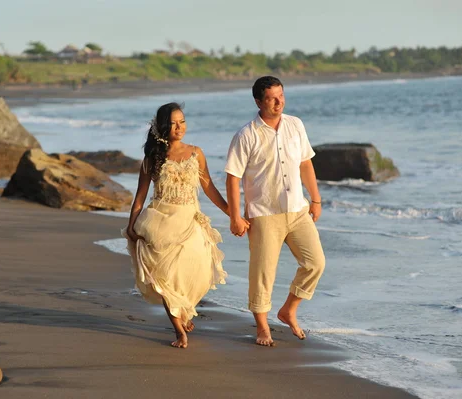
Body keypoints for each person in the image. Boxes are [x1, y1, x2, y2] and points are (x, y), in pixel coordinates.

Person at [124, 102, 236, 349]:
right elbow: (140, 196)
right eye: (174, 123)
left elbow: (208, 187)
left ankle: (185, 308)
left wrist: (232, 212)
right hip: (161, 224)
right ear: (163, 126)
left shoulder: (196, 152)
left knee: (199, 273)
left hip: (190, 222)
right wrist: (131, 225)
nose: (179, 127)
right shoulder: (152, 157)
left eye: (182, 121)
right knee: (167, 279)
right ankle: (179, 331)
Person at [225, 76, 325, 347]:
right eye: (272, 98)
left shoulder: (295, 125)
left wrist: (315, 200)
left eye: (281, 95)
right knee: (263, 272)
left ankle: (288, 310)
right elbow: (233, 177)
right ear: (258, 101)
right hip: (264, 213)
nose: (279, 101)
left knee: (315, 263)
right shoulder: (246, 135)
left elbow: (305, 163)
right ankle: (262, 327)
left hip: (297, 210)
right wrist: (235, 216)